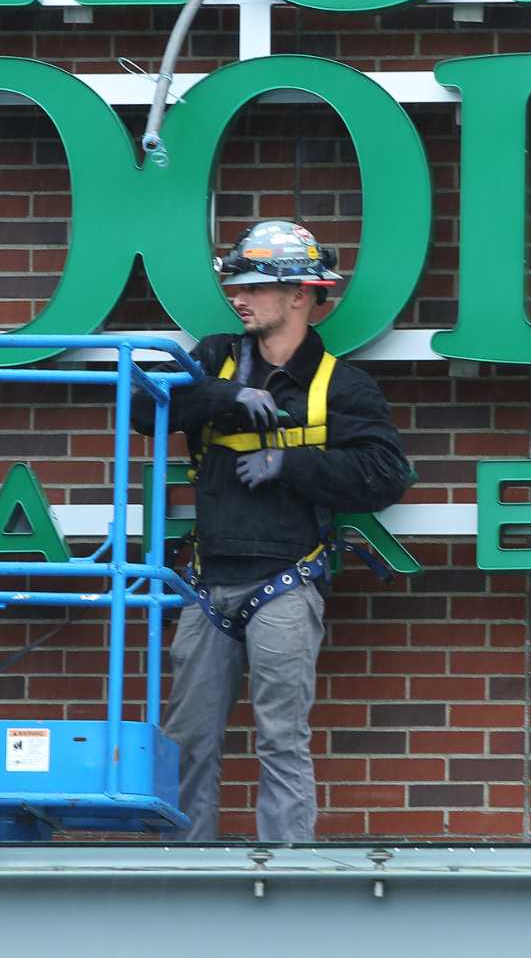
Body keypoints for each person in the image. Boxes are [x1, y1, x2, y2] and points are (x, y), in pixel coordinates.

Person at [136, 220, 410, 842]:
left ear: (300, 297)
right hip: (208, 585)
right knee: (187, 740)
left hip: (285, 584)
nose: (239, 297)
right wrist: (225, 396)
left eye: (256, 287)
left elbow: (387, 475)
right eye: (237, 284)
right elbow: (145, 413)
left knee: (282, 739)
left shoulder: (341, 385)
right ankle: (181, 876)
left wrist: (293, 463)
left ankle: (288, 877)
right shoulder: (211, 358)